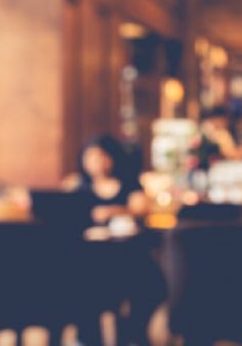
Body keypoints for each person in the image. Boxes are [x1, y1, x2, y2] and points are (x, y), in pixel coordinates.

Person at [67, 135, 164, 346]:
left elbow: (141, 207)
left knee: (152, 284)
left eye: (102, 156)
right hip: (90, 260)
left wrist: (113, 211)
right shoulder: (78, 187)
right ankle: (89, 338)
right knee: (78, 283)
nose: (96, 162)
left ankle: (133, 332)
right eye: (91, 157)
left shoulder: (128, 183)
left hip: (127, 255)